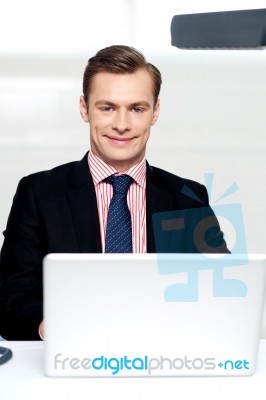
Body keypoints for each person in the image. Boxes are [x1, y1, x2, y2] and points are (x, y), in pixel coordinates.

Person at [0, 45, 229, 341]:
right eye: (107, 108)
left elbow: (222, 298)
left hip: (164, 359)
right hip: (70, 359)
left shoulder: (187, 197)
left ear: (155, 111)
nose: (122, 125)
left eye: (137, 108)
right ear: (84, 108)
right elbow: (11, 298)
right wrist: (53, 328)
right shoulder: (39, 193)